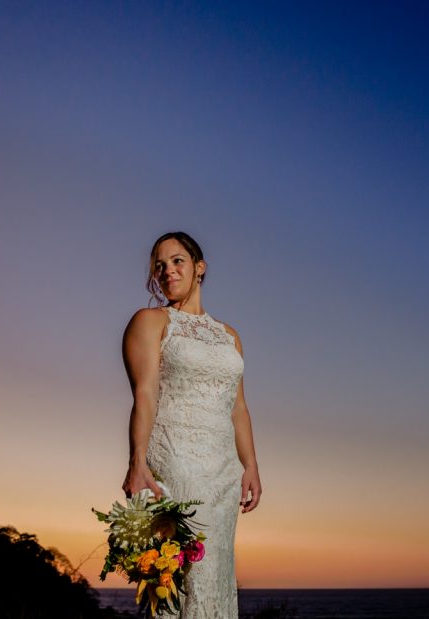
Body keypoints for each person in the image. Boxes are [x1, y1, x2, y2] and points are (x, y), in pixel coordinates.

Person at [121, 231, 262, 618]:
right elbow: (145, 394)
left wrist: (250, 466)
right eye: (160, 265)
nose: (167, 270)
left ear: (199, 268)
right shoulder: (149, 322)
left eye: (177, 261)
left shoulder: (229, 336)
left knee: (215, 574)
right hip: (176, 465)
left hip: (223, 475)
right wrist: (137, 462)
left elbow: (239, 407)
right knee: (179, 578)